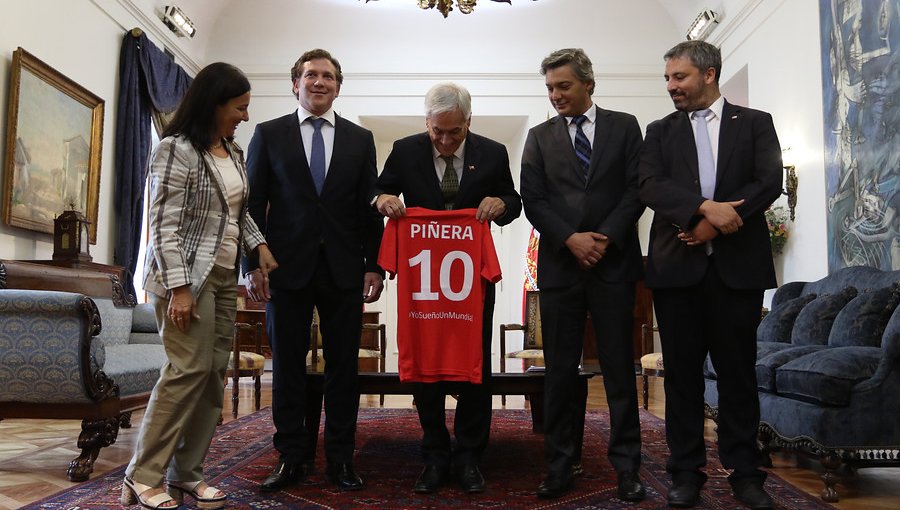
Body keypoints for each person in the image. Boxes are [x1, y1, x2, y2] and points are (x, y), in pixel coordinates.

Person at [122, 62, 278, 509]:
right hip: (186, 278)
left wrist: (259, 244)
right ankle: (141, 475)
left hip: (226, 276)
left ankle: (186, 474)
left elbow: (236, 213)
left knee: (211, 375)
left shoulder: (233, 151)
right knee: (186, 370)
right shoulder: (175, 150)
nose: (245, 117)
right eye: (240, 108)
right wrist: (180, 289)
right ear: (214, 103)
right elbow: (163, 226)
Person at [638, 40, 782, 510]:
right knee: (681, 377)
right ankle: (685, 473)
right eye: (668, 79)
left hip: (737, 270)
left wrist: (717, 223)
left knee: (738, 374)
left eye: (678, 77)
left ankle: (746, 474)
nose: (671, 86)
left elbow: (768, 181)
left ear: (709, 74)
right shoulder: (659, 130)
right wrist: (702, 210)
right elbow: (650, 183)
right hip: (676, 267)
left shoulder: (756, 123)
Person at [242, 48, 384, 493]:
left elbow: (370, 209)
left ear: (338, 86)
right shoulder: (268, 134)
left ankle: (341, 458)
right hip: (284, 269)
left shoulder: (361, 140)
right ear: (295, 83)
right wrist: (253, 263)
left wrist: (374, 265)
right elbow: (250, 206)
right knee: (286, 366)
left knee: (345, 368)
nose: (318, 82)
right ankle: (291, 457)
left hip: (344, 270)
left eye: (327, 76)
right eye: (310, 75)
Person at [374, 82, 521, 494]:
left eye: (454, 132)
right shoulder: (405, 150)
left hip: (470, 281)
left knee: (475, 365)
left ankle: (471, 456)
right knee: (425, 365)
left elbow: (514, 198)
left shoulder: (492, 152)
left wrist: (501, 204)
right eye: (436, 131)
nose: (443, 140)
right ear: (426, 123)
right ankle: (434, 455)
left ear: (468, 123)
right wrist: (383, 199)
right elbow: (376, 187)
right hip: (423, 282)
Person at [520, 48, 646, 501]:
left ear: (588, 84)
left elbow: (637, 188)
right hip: (560, 268)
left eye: (564, 86)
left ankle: (628, 467)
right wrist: (572, 239)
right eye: (550, 88)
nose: (555, 95)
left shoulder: (625, 126)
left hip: (613, 266)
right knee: (559, 373)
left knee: (618, 369)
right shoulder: (538, 137)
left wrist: (604, 238)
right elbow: (533, 199)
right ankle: (560, 464)